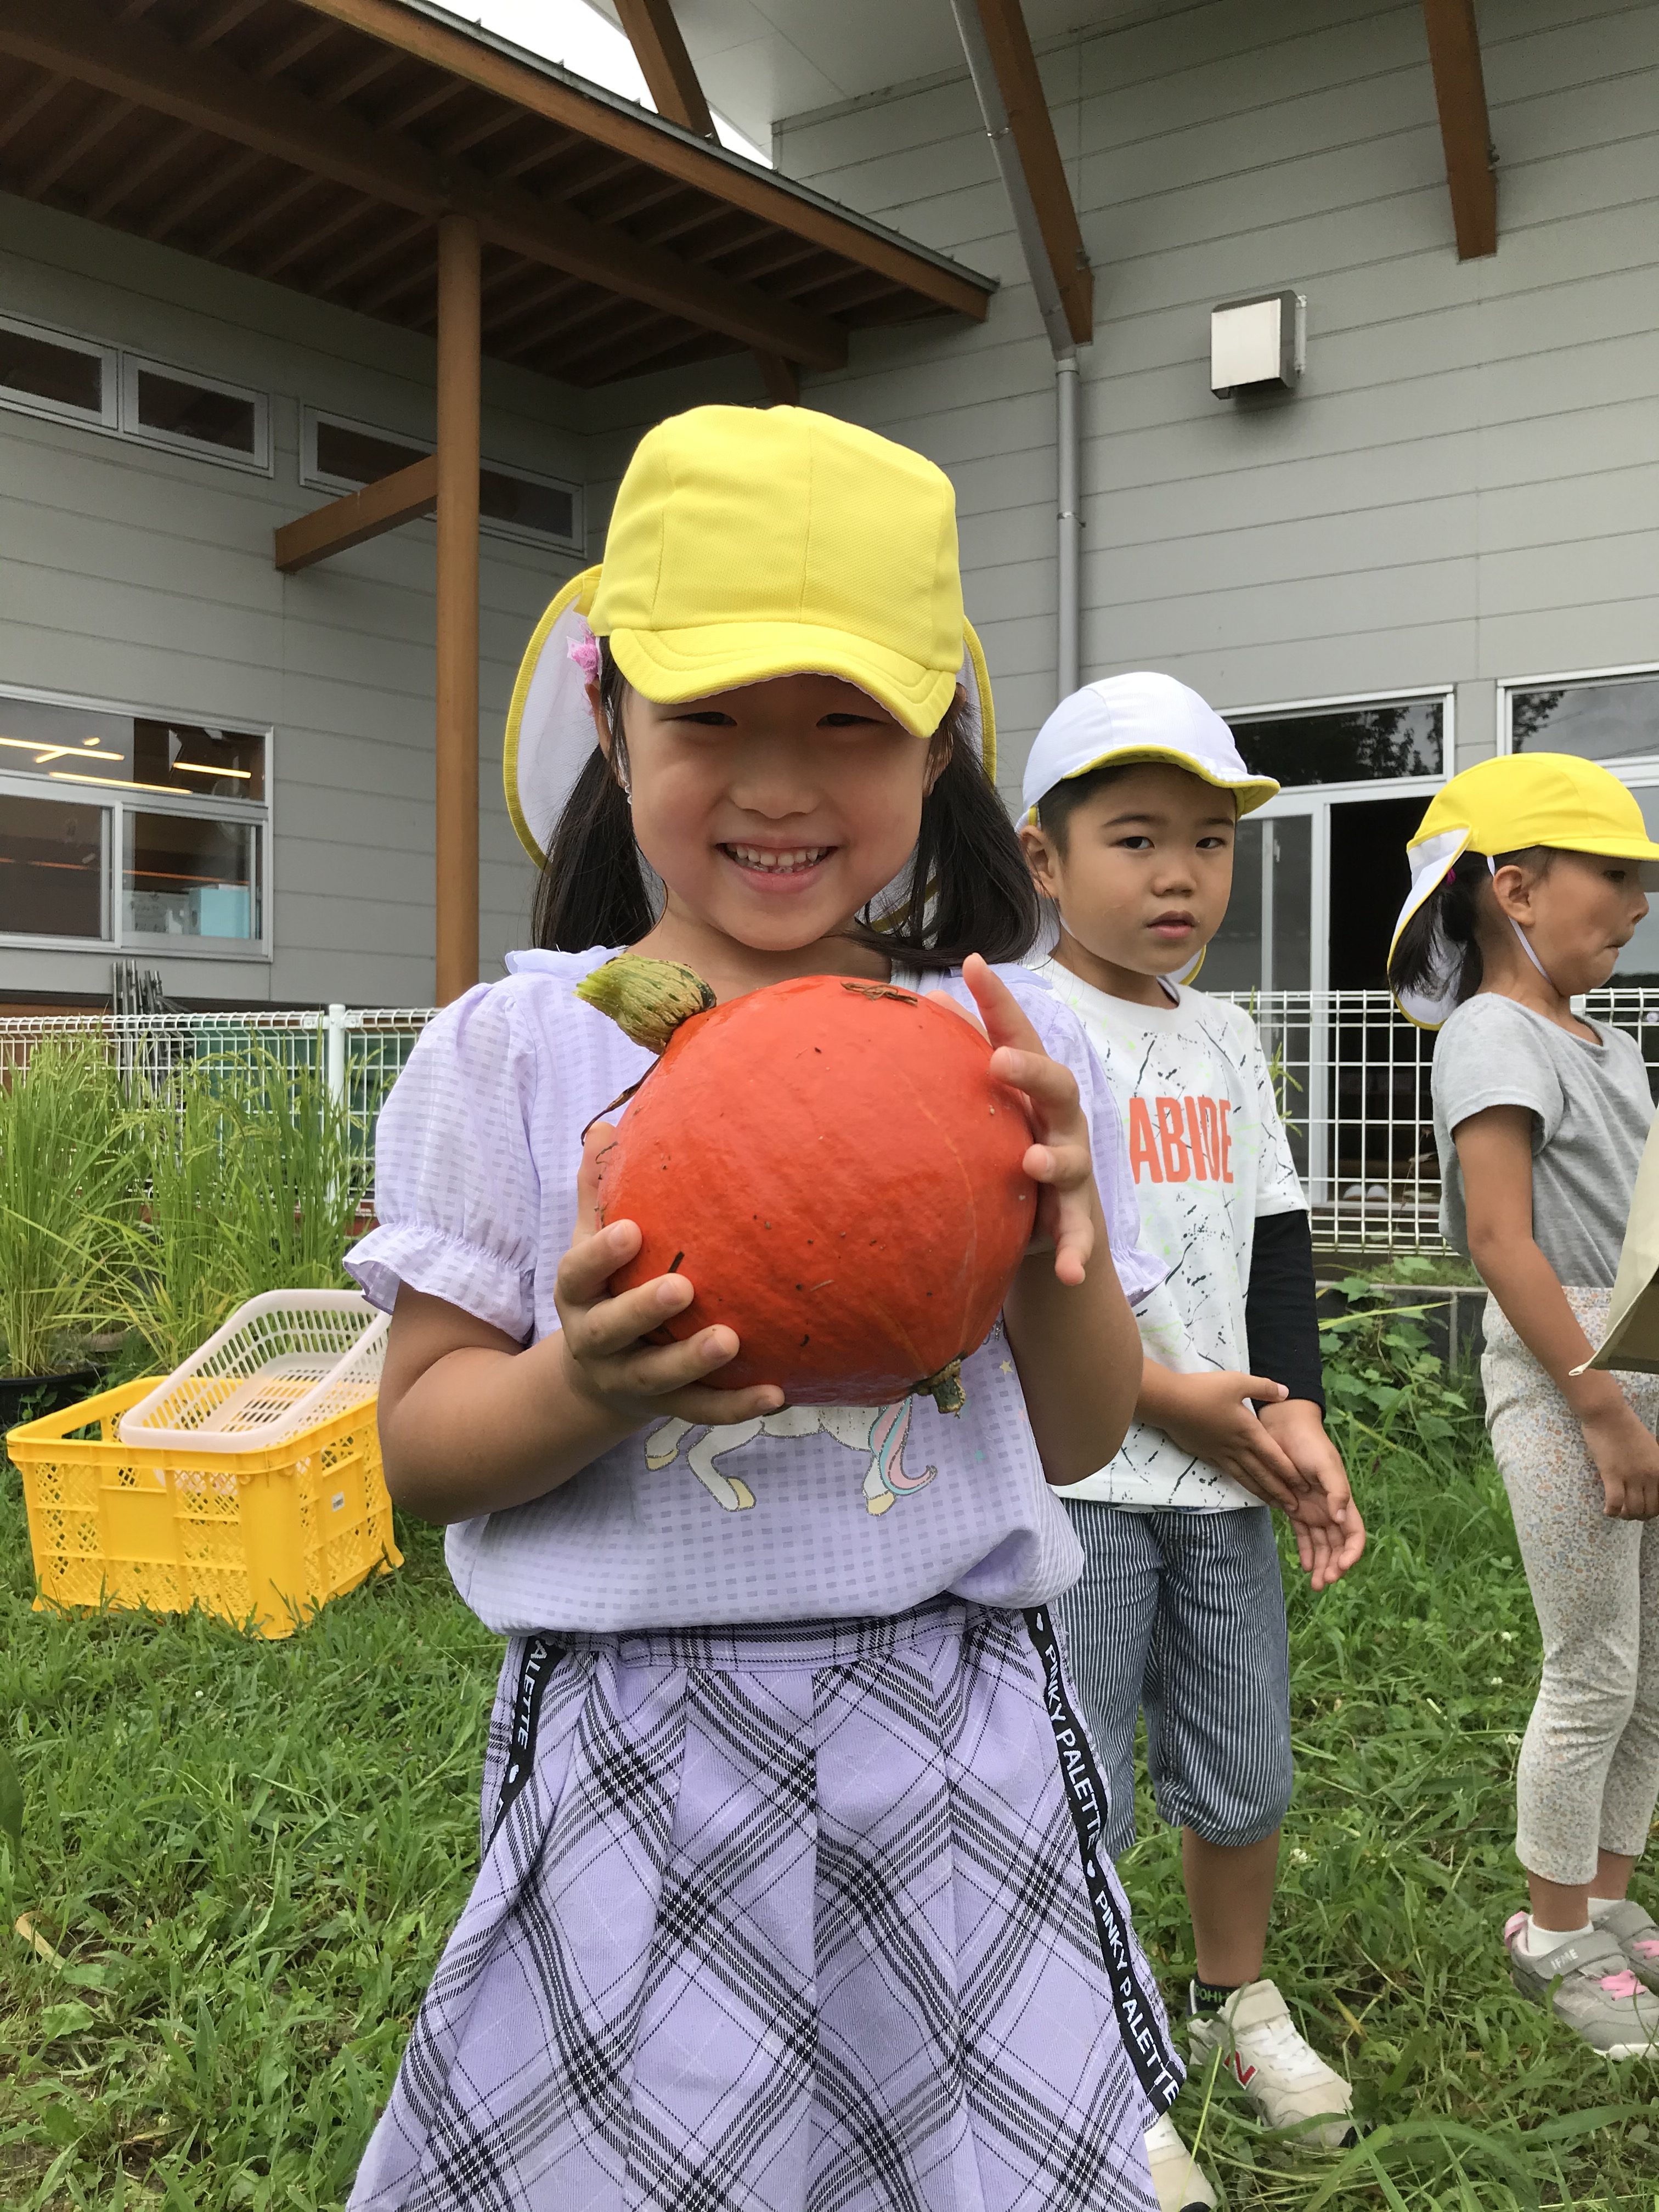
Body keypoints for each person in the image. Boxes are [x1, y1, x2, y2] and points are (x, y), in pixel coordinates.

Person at [342, 405, 1186, 2211]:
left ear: (937, 740)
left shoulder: (1001, 1047)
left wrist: (1061, 1234)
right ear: (606, 715)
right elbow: (416, 1455)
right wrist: (584, 1379)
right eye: (710, 718)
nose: (780, 783)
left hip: (953, 1738)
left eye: (846, 723)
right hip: (646, 1754)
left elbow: (1083, 1430)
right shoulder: (512, 1054)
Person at [1019, 674, 1367, 2211]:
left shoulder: (1227, 1035)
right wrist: (1171, 1399)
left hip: (1226, 1486)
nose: (1178, 877)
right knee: (1069, 1775)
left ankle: (1241, 2001)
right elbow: (991, 1273)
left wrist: (1291, 1410)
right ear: (1044, 857)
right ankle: (1089, 2049)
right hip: (1075, 1478)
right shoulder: (1014, 1020)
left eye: (1211, 843)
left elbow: (1277, 1241)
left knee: (1242, 1769)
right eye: (1136, 838)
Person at [1389, 751, 1659, 2059]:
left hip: (1643, 1367)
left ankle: (1610, 1902)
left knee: (1653, 1670)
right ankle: (1551, 1929)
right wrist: (1604, 1408)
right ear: (1516, 886)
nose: (1640, 906)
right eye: (1618, 876)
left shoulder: (1604, 1038)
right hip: (1572, 1386)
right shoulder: (1493, 1033)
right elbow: (1503, 1240)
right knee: (1593, 1662)